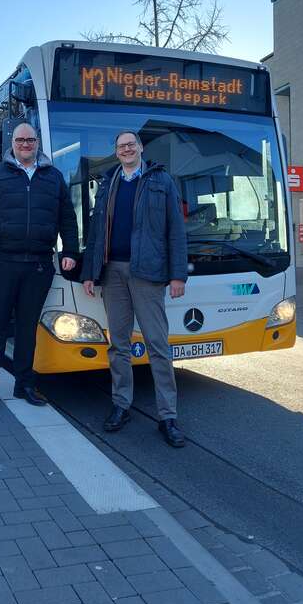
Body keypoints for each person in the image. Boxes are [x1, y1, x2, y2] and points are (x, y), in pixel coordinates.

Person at [81, 130, 188, 447]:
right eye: (121, 146)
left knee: (158, 345)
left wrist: (177, 275)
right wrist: (90, 272)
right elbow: (97, 230)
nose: (126, 149)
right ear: (116, 152)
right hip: (112, 271)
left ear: (141, 148)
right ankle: (121, 405)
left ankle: (168, 416)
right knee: (119, 345)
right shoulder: (107, 183)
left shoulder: (161, 181)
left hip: (148, 273)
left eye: (131, 144)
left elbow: (175, 230)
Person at [0, 122, 79, 408]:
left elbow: (67, 218)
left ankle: (24, 385)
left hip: (39, 265)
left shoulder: (53, 177)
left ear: (37, 142)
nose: (25, 144)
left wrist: (70, 250)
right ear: (13, 143)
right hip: (1, 263)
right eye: (20, 140)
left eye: (30, 140)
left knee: (27, 329)